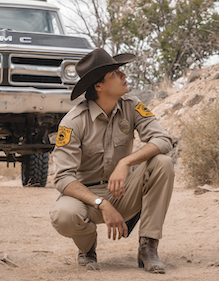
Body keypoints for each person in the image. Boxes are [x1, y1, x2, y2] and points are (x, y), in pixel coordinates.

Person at [49, 48, 175, 273]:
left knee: (162, 163)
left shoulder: (131, 105)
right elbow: (63, 178)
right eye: (116, 74)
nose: (124, 76)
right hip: (87, 199)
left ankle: (148, 247)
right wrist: (101, 203)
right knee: (64, 216)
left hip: (123, 192)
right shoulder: (73, 122)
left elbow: (163, 139)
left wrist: (125, 163)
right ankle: (87, 248)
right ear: (99, 86)